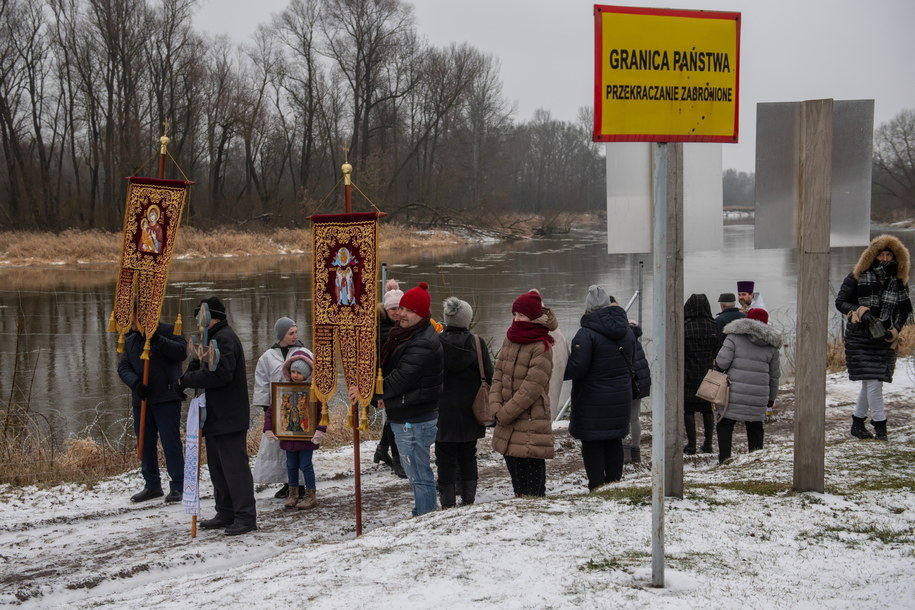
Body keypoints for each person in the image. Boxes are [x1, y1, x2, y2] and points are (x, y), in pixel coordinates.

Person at [179, 297, 257, 535]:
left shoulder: (225, 339)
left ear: (210, 317)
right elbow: (200, 365)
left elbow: (221, 375)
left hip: (229, 415)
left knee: (234, 468)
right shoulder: (211, 339)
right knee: (218, 468)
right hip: (213, 416)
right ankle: (225, 511)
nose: (197, 322)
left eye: (199, 317)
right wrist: (189, 372)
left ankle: (245, 516)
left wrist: (187, 380)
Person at [366, 282, 443, 516]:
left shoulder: (422, 343)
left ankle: (425, 516)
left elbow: (398, 380)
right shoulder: (407, 334)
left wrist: (369, 391)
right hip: (408, 415)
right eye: (401, 309)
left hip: (414, 420)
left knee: (419, 475)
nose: (401, 314)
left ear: (420, 314)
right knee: (417, 474)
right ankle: (423, 511)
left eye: (408, 311)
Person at [835, 234, 913, 441]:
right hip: (860, 336)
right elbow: (841, 302)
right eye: (881, 255)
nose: (885, 259)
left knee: (872, 381)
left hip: (884, 338)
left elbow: (903, 311)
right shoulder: (857, 276)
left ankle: (857, 423)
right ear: (873, 256)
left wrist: (894, 330)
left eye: (889, 255)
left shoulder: (898, 281)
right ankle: (880, 428)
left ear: (896, 258)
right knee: (873, 382)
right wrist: (861, 311)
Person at [564, 285, 636, 491]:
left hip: (592, 400)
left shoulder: (586, 334)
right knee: (614, 441)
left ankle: (596, 487)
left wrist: (558, 367)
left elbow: (576, 369)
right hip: (620, 397)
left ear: (588, 309)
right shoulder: (626, 331)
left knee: (593, 444)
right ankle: (614, 485)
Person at [491, 289, 555, 497]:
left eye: (521, 315)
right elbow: (498, 374)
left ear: (533, 317)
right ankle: (521, 504)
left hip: (530, 419)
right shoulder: (510, 339)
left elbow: (531, 388)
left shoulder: (542, 346)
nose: (516, 319)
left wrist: (505, 413)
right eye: (515, 314)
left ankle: (536, 508)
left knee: (532, 475)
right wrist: (495, 406)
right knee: (515, 471)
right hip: (506, 418)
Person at [117, 317, 187, 503]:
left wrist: (157, 339)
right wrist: (136, 383)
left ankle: (179, 485)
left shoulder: (170, 329)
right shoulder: (131, 339)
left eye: (132, 318)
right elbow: (123, 367)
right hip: (142, 400)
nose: (129, 322)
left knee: (170, 443)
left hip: (167, 397)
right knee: (145, 443)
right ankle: (152, 485)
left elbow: (181, 352)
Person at [435, 296, 493, 508]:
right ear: (467, 319)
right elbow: (489, 375)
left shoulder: (436, 343)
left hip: (443, 412)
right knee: (469, 455)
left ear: (447, 319)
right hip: (472, 411)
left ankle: (447, 503)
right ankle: (468, 500)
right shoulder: (478, 343)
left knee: (444, 458)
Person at [714, 308, 781, 463]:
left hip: (733, 393)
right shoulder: (772, 345)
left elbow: (722, 362)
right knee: (755, 427)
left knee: (725, 424)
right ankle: (755, 459)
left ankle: (724, 459)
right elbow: (774, 376)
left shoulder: (734, 337)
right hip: (758, 396)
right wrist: (771, 399)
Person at [264, 349, 327, 509]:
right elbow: (273, 411)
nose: (295, 375)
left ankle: (310, 495)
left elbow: (323, 412)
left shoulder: (314, 391)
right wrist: (269, 429)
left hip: (306, 437)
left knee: (306, 465)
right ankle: (293, 495)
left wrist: (320, 429)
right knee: (291, 465)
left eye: (299, 372)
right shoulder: (283, 390)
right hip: (289, 435)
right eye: (293, 371)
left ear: (307, 374)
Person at [252, 317, 307, 499]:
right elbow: (262, 382)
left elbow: (314, 377)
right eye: (290, 333)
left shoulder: (304, 353)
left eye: (295, 332)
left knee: (299, 446)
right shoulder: (268, 357)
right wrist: (265, 405)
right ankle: (287, 483)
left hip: (300, 406)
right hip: (278, 408)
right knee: (282, 448)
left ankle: (301, 484)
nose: (294, 336)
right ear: (281, 334)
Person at [373, 280, 406, 478]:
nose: (396, 312)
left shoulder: (403, 325)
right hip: (383, 379)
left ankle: (382, 448)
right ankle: (398, 459)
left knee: (396, 415)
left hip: (399, 376)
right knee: (396, 416)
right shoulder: (379, 328)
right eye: (393, 308)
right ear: (387, 309)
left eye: (399, 308)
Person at [683, 293, 719, 455]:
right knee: (707, 408)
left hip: (688, 371)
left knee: (688, 409)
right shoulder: (714, 326)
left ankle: (691, 444)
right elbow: (717, 351)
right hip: (707, 372)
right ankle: (708, 443)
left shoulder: (685, 326)